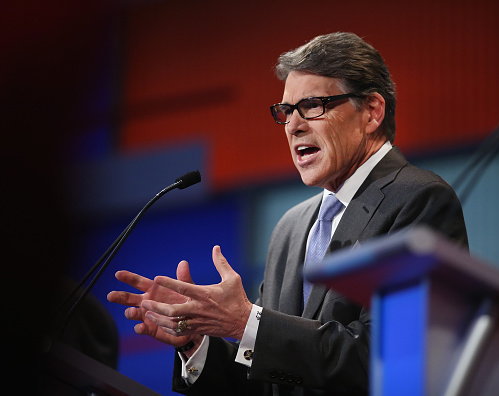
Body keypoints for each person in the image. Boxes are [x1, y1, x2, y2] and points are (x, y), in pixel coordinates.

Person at [107, 32, 468, 395]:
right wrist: (195, 342)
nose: (294, 126)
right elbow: (272, 381)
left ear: (372, 112)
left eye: (312, 105)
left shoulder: (418, 199)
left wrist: (248, 323)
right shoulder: (292, 228)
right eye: (286, 111)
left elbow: (394, 360)